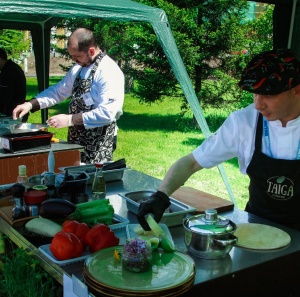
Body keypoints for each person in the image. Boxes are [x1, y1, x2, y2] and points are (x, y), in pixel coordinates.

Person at [137, 48, 300, 231]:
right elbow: (191, 162)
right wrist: (160, 196)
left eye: (268, 95)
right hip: (257, 231)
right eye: (254, 93)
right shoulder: (243, 122)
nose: (258, 104)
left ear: (296, 90)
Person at [13, 28, 124, 163]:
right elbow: (59, 91)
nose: (73, 60)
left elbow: (108, 113)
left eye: (77, 56)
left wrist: (70, 120)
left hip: (98, 143)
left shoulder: (108, 71)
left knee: (93, 180)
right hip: (77, 139)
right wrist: (30, 104)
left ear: (91, 51)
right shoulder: (78, 67)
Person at [0, 48, 28, 121]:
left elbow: (4, 95)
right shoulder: (12, 68)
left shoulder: (9, 72)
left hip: (11, 112)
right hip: (15, 110)